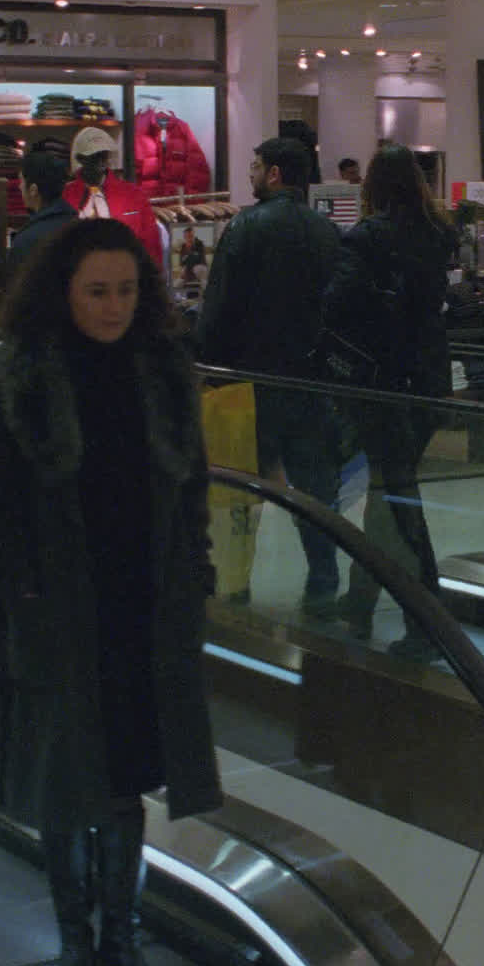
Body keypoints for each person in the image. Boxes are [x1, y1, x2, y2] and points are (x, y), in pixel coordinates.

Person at [0, 218, 222, 966]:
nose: (112, 308)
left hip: (142, 606)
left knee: (125, 781)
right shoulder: (22, 376)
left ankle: (122, 941)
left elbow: (191, 493)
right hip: (58, 607)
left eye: (124, 291)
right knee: (64, 781)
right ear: (63, 293)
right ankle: (75, 946)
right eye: (95, 292)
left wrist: (196, 576)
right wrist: (26, 597)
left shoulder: (164, 371)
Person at [195, 136, 346, 611]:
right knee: (316, 490)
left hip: (251, 381)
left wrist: (207, 365)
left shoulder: (245, 227)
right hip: (309, 380)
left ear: (275, 174)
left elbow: (219, 307)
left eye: (256, 166)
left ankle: (235, 585)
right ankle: (324, 579)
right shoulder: (327, 231)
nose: (251, 174)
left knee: (240, 489)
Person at [321, 146, 457, 660]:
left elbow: (337, 303)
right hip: (427, 382)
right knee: (390, 492)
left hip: (381, 385)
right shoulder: (438, 233)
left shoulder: (369, 237)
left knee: (400, 503)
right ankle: (359, 600)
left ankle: (430, 622)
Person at [62, 140, 163, 267]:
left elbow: (151, 244)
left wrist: (151, 281)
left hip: (125, 273)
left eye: (103, 156)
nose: (100, 162)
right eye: (93, 156)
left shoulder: (133, 195)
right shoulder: (65, 196)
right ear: (80, 159)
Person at [4, 148, 76, 289]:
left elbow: (18, 294)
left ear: (33, 190)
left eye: (21, 181)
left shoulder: (27, 240)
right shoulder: (79, 226)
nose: (19, 187)